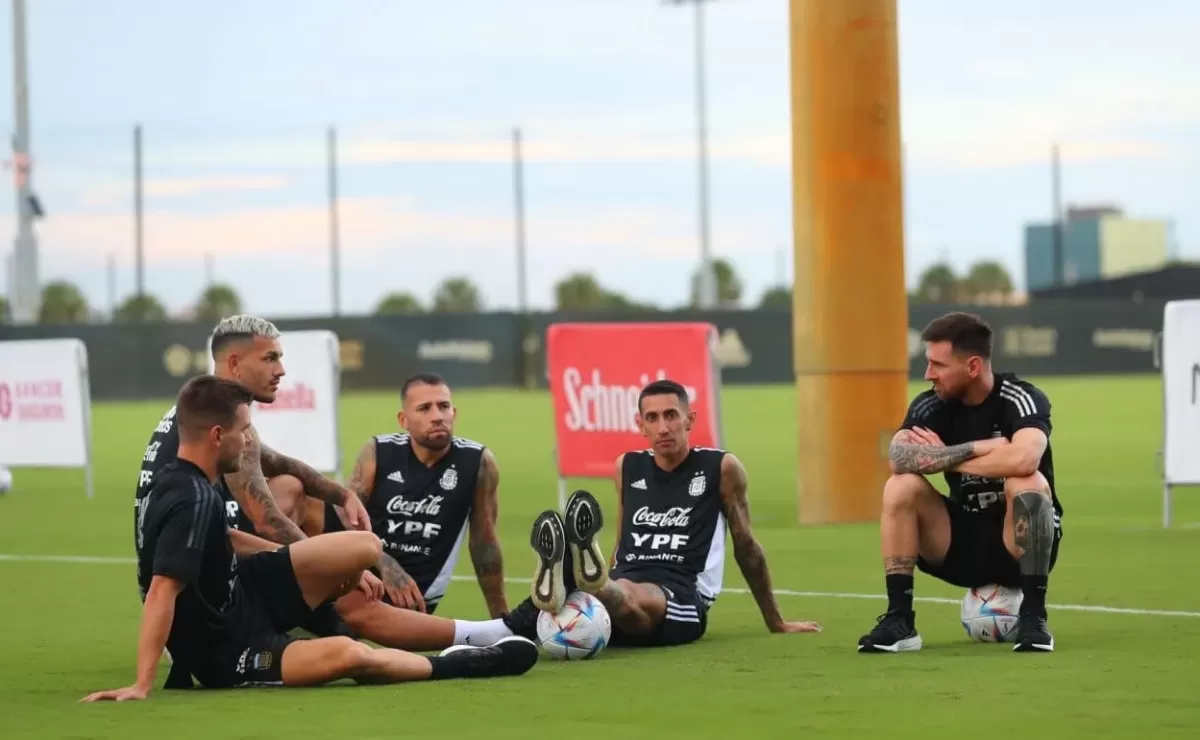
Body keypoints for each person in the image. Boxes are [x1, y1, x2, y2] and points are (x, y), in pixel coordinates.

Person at [85, 375, 537, 702]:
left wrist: (313, 562)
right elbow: (162, 590)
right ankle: (463, 660)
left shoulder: (190, 481)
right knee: (350, 655)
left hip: (247, 591)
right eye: (244, 434)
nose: (249, 446)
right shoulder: (191, 498)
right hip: (228, 649)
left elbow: (224, 538)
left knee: (363, 549)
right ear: (217, 435)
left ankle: (324, 615)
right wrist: (141, 684)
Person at [503, 379, 822, 648]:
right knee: (561, 621)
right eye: (652, 418)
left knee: (629, 600)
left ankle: (587, 581)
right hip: (626, 574)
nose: (663, 427)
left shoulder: (720, 468)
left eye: (671, 415)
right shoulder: (627, 466)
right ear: (640, 425)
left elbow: (747, 546)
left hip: (682, 592)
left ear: (690, 420)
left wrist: (775, 620)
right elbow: (622, 542)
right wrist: (612, 569)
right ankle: (576, 586)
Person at [856, 311, 1061, 654]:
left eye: (938, 365)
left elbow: (1024, 459)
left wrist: (945, 456)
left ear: (973, 367)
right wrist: (978, 449)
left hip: (1018, 545)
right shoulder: (931, 405)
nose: (928, 374)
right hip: (961, 543)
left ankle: (1034, 618)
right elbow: (899, 457)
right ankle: (899, 621)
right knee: (900, 485)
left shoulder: (1021, 398)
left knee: (1027, 482)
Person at [307, 372, 519, 650]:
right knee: (291, 489)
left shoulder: (477, 462)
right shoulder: (378, 452)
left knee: (345, 614)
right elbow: (348, 518)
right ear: (403, 420)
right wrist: (385, 563)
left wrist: (501, 616)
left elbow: (484, 543)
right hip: (363, 579)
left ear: (454, 413)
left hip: (413, 599)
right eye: (424, 408)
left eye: (443, 407)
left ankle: (499, 630)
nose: (437, 416)